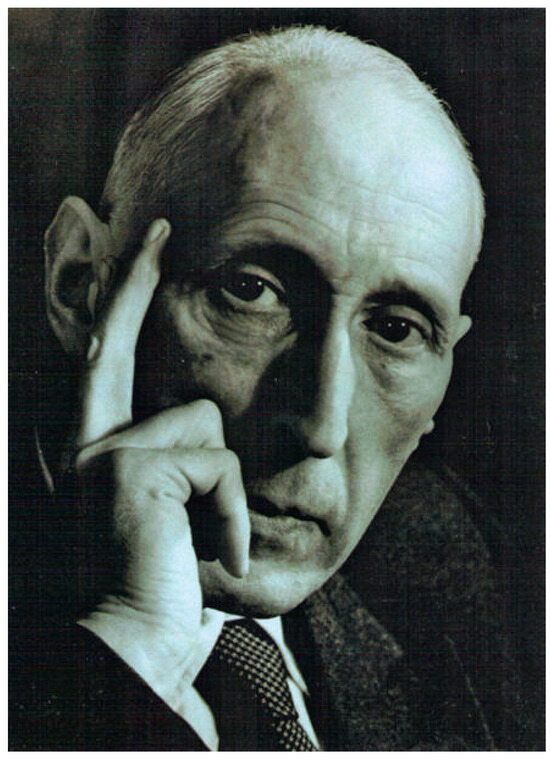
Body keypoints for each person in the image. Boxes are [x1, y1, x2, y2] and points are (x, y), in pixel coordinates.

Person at [11, 25, 529, 750]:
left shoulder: (451, 570)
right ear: (81, 284)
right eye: (252, 292)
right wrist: (125, 651)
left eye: (397, 330)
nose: (321, 426)